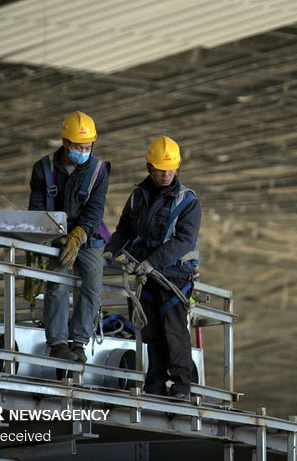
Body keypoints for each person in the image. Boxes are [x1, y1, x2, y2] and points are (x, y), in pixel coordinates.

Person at [105, 136, 200, 400]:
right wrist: (111, 251)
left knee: (174, 332)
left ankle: (182, 386)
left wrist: (152, 262)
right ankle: (156, 384)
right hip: (145, 275)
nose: (166, 173)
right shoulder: (138, 198)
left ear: (178, 167)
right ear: (149, 167)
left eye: (171, 168)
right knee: (152, 332)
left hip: (174, 275)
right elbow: (124, 229)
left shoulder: (187, 201)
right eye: (160, 168)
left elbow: (184, 240)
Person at [28, 111, 109, 363]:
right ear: (65, 143)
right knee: (57, 282)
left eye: (88, 146)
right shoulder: (43, 169)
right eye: (79, 147)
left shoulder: (98, 170)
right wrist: (57, 237)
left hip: (87, 233)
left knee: (93, 283)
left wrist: (78, 235)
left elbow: (95, 209)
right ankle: (58, 343)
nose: (84, 151)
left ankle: (79, 341)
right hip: (54, 232)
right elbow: (37, 210)